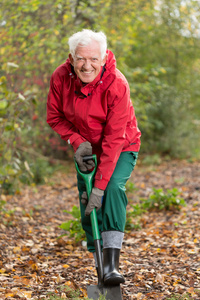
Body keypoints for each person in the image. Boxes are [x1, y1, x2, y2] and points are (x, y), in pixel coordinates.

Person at [47, 29, 141, 286]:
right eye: (80, 59)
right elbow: (55, 117)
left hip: (121, 146)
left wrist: (100, 186)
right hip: (86, 148)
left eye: (93, 60)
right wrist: (78, 142)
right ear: (72, 58)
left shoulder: (117, 84)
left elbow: (113, 141)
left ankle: (111, 264)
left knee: (110, 188)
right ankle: (98, 261)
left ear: (103, 58)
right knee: (88, 201)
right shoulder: (60, 77)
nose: (87, 65)